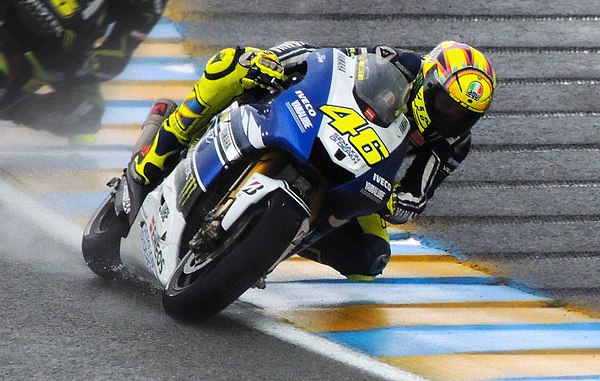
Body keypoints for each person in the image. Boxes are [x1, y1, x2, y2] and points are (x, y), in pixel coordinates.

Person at [126, 40, 496, 281]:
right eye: (446, 104)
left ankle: (270, 244)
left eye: (464, 115)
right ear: (429, 82)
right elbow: (327, 60)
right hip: (318, 120)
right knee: (234, 65)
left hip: (364, 170)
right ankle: (155, 154)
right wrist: (275, 62)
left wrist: (398, 202)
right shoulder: (397, 63)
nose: (451, 117)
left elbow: (418, 193)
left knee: (371, 258)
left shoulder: (453, 143)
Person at [0, 0, 167, 144]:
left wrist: (79, 61)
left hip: (58, 53)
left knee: (86, 115)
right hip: (10, 23)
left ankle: (11, 106)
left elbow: (116, 58)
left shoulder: (150, 4)